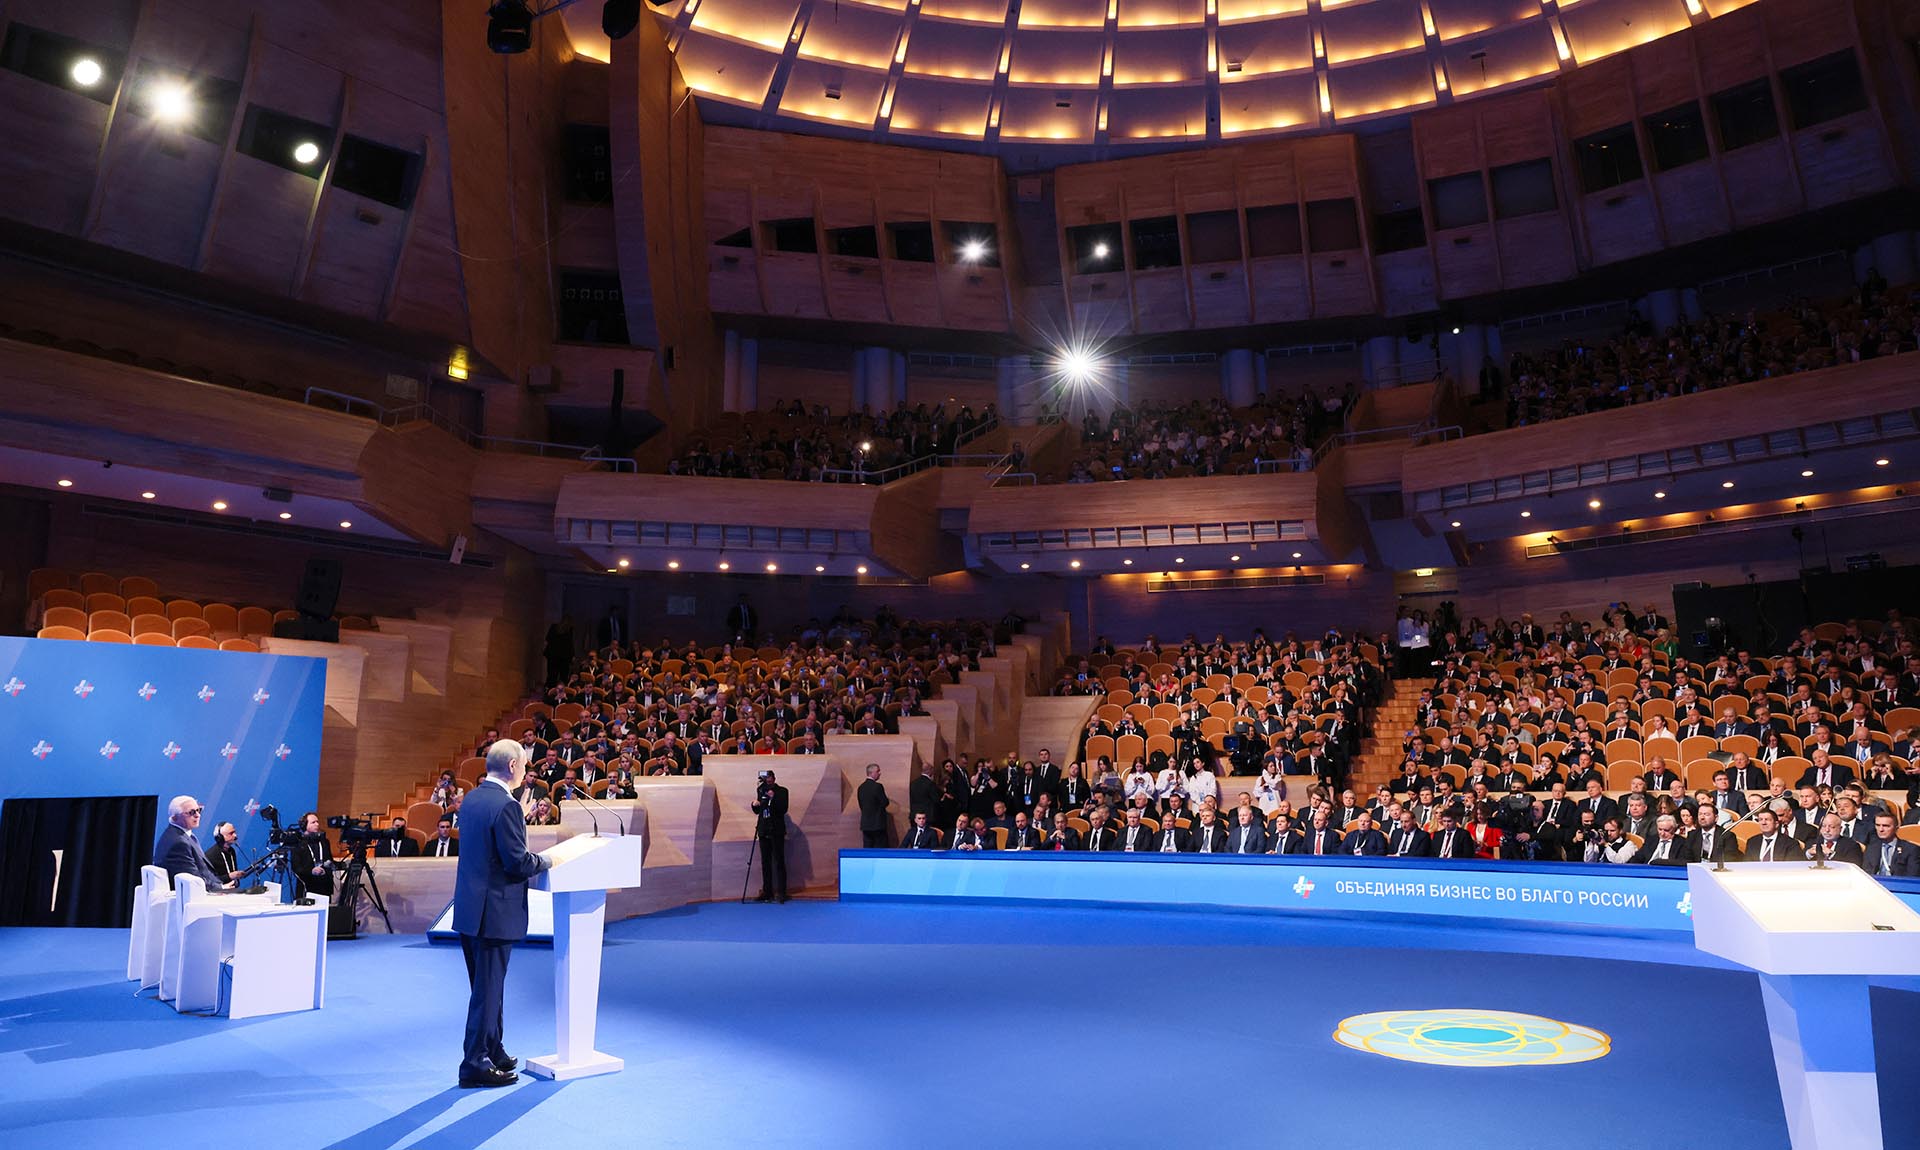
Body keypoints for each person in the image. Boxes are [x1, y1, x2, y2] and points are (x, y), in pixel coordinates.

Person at [453, 738, 554, 1089]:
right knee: (487, 991)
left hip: (470, 909)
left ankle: (493, 1048)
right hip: (493, 912)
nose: (525, 771)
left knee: (486, 988)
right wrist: (548, 859)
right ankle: (474, 1063)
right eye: (523, 765)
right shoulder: (507, 806)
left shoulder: (472, 798)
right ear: (513, 766)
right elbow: (517, 863)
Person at [152, 796, 232, 889]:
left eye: (199, 810)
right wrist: (221, 887)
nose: (198, 815)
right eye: (191, 812)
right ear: (175, 818)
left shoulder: (182, 835)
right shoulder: (179, 843)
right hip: (194, 894)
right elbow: (193, 881)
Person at [752, 769, 790, 902]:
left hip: (776, 830)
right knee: (765, 862)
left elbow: (783, 809)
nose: (767, 780)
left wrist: (773, 798)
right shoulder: (761, 790)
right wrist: (755, 805)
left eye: (769, 777)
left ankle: (781, 891)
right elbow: (759, 811)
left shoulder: (782, 791)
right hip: (763, 829)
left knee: (779, 861)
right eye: (765, 778)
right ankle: (767, 891)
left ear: (774, 778)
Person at [291, 812, 336, 898]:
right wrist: (311, 871)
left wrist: (332, 866)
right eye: (313, 822)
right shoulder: (298, 844)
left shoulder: (324, 842)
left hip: (324, 887)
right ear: (304, 825)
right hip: (307, 888)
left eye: (317, 822)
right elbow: (296, 867)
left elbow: (330, 860)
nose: (317, 824)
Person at [857, 763, 890, 849]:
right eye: (878, 771)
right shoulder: (878, 787)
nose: (880, 773)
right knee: (880, 850)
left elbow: (861, 805)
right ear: (871, 773)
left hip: (866, 825)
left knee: (867, 849)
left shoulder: (861, 787)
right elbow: (885, 802)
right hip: (878, 825)